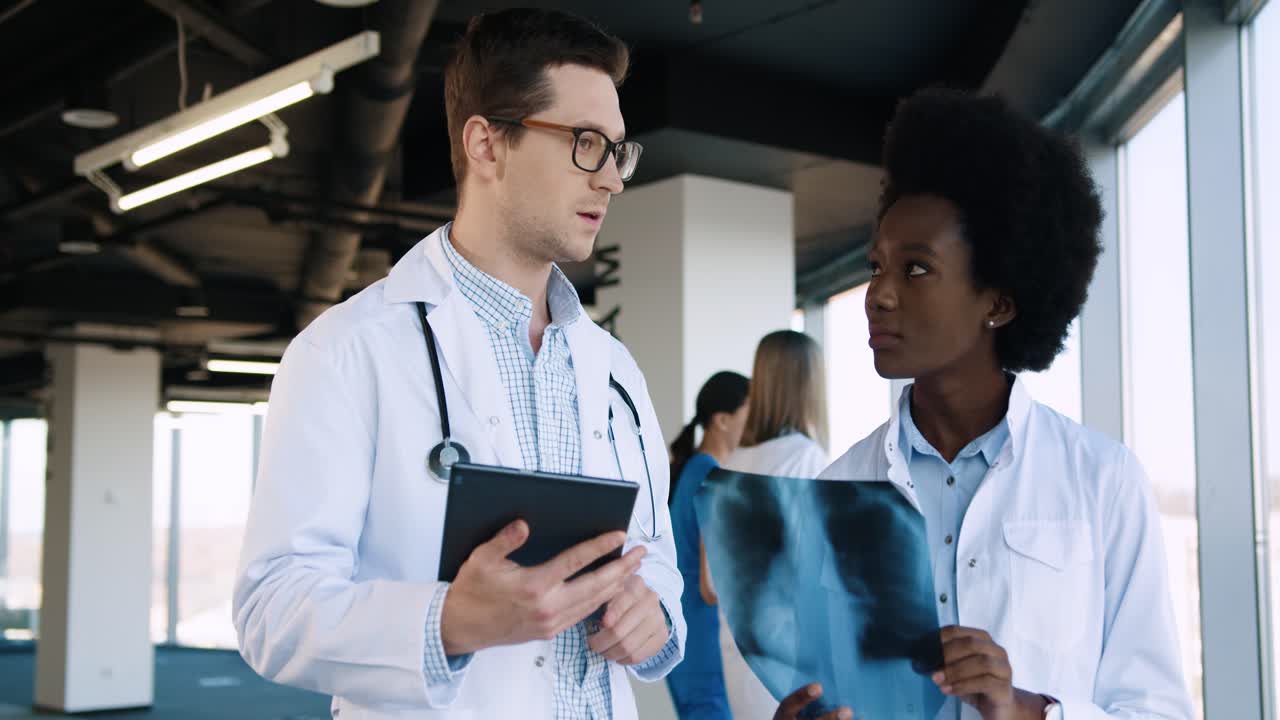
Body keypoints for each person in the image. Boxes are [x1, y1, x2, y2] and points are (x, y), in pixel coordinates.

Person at [232, 9, 685, 719]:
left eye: (619, 152)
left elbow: (654, 552)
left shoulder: (615, 368)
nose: (612, 181)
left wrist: (652, 612)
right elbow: (272, 608)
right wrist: (449, 621)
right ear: (486, 145)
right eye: (587, 144)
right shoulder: (347, 351)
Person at [777, 88, 1192, 720]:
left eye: (915, 270)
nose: (878, 296)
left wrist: (1028, 710)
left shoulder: (1101, 481)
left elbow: (1159, 710)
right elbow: (814, 685)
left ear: (998, 302)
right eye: (876, 267)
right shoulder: (838, 490)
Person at [721, 330, 828, 720]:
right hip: (791, 658)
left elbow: (714, 581)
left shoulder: (732, 463)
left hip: (738, 652)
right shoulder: (806, 461)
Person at [665, 371, 751, 719]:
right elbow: (712, 583)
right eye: (751, 409)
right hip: (702, 639)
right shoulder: (709, 474)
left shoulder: (694, 469)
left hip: (684, 636)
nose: (757, 419)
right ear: (723, 421)